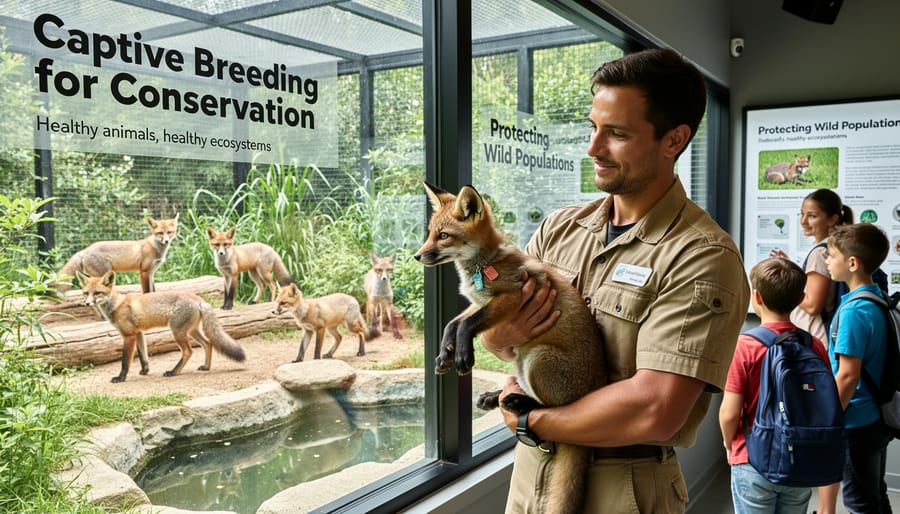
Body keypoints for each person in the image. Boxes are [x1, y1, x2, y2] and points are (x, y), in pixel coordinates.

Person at [481, 48, 751, 513]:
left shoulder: (702, 256)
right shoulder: (559, 230)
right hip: (531, 477)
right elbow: (505, 345)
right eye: (593, 127)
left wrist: (531, 421)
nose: (593, 148)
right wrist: (499, 335)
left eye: (617, 134)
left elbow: (655, 408)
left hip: (621, 487)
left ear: (674, 140)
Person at [719, 257, 829, 514]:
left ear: (756, 297)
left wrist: (728, 444)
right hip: (799, 458)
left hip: (751, 458)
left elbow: (730, 412)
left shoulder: (744, 346)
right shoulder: (814, 345)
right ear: (801, 297)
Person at [825, 223, 893, 514]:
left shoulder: (854, 310)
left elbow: (848, 375)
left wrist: (829, 420)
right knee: (875, 493)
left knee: (859, 502)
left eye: (830, 255)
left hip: (855, 421)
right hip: (877, 417)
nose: (826, 261)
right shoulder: (877, 299)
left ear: (852, 263)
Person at [769, 189, 852, 345]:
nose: (803, 221)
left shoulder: (820, 253)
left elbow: (813, 305)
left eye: (812, 216)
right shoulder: (834, 248)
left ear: (832, 219)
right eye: (802, 214)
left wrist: (785, 286)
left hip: (816, 338)